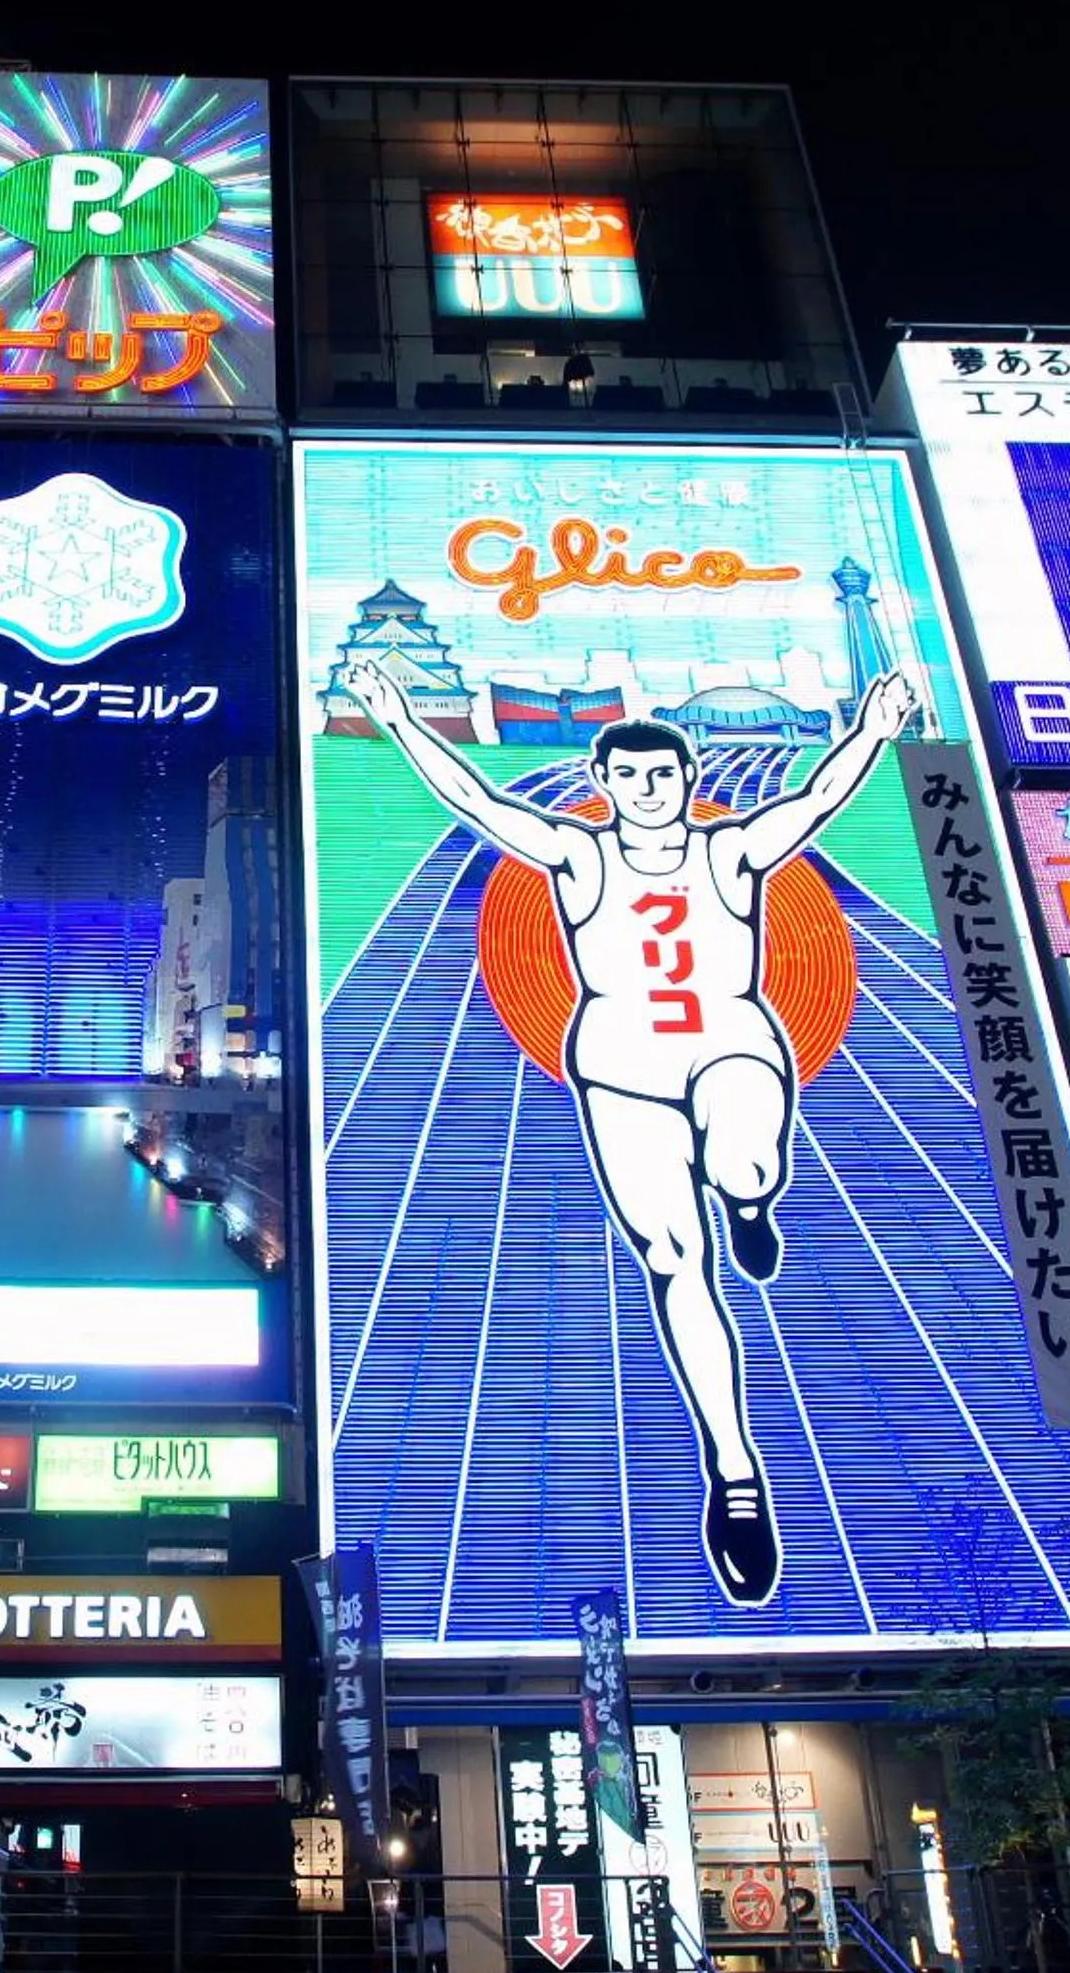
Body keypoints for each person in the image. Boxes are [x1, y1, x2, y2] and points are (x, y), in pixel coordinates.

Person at [345, 659, 918, 1604]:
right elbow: (479, 802)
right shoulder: (580, 857)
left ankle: (750, 1199)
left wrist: (876, 726)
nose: (649, 791)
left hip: (732, 1041)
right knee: (673, 1261)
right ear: (603, 786)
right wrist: (399, 718)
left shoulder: (728, 854)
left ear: (687, 783)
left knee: (743, 1157)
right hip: (621, 1067)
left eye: (665, 776)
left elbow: (817, 799)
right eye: (631, 778)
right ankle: (735, 1477)